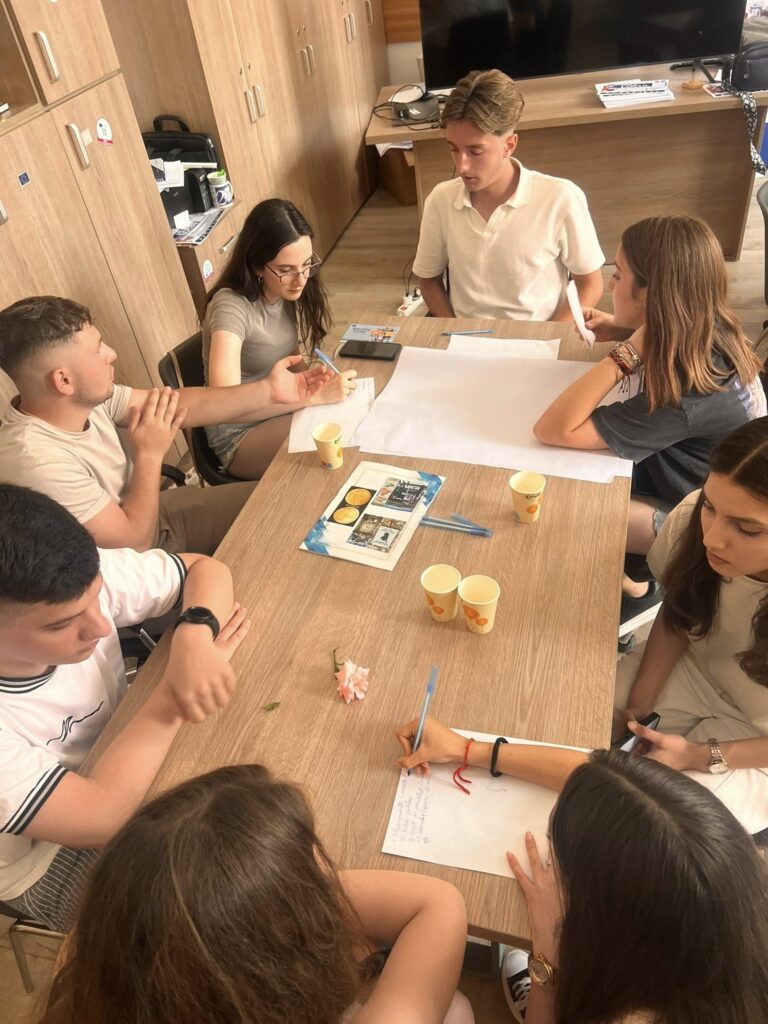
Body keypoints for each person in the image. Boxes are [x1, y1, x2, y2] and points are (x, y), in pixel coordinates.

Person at [40, 764, 475, 1024]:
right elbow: (439, 902)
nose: (325, 876)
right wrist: (293, 892)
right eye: (312, 870)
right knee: (454, 1008)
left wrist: (272, 891)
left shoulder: (90, 973)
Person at [0, 484, 249, 931]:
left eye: (96, 597)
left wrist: (194, 634)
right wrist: (169, 699)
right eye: (61, 625)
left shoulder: (69, 581)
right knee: (215, 923)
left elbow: (205, 569)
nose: (100, 625)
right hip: (45, 854)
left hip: (121, 747)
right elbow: (102, 818)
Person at [394, 738, 768, 1023]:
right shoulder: (730, 882)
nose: (549, 862)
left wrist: (546, 962)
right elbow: (601, 785)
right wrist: (469, 749)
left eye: (556, 860)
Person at [533, 215, 766, 606]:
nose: (610, 285)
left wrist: (626, 353)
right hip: (701, 481)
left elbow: (554, 429)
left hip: (695, 516)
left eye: (618, 276)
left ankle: (637, 588)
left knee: (562, 503)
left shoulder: (689, 394)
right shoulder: (711, 324)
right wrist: (627, 329)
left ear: (650, 295)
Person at [0, 295, 335, 553]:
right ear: (63, 381)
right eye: (98, 350)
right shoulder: (37, 462)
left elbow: (177, 405)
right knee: (278, 545)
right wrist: (149, 455)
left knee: (294, 502)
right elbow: (135, 542)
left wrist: (270, 392)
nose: (112, 354)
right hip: (128, 559)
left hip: (152, 512)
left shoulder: (82, 399)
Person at [612, 415, 768, 835]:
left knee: (656, 827)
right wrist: (639, 704)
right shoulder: (693, 516)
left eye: (747, 529)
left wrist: (699, 755)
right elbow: (679, 612)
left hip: (757, 739)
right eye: (711, 507)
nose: (713, 538)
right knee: (572, 714)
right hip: (690, 666)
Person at [412, 69, 604, 321]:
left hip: (539, 334)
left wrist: (548, 335)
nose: (462, 166)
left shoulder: (561, 198)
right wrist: (453, 330)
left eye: (475, 151)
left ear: (509, 145)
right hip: (465, 336)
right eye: (454, 149)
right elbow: (428, 281)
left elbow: (590, 284)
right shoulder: (441, 199)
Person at [203, 198, 357, 480]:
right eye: (286, 270)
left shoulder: (281, 291)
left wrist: (314, 381)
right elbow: (224, 405)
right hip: (241, 433)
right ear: (257, 266)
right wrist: (311, 397)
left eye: (307, 264)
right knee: (332, 443)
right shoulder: (230, 308)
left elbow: (288, 352)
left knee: (344, 420)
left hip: (279, 409)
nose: (301, 279)